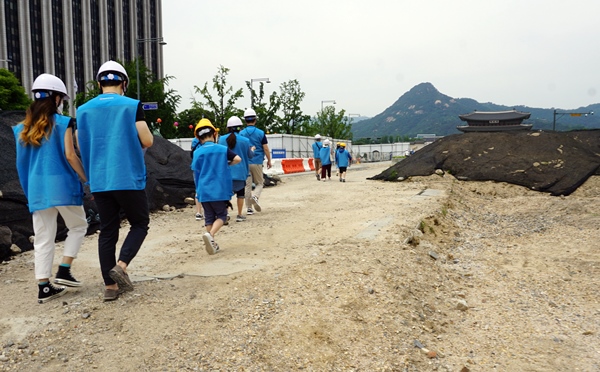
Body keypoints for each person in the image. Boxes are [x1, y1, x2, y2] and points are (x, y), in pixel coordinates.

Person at [76, 60, 154, 302]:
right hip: (127, 177)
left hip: (100, 179)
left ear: (100, 83)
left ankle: (110, 287)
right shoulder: (132, 106)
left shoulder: (83, 110)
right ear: (124, 83)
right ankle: (121, 265)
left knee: (107, 230)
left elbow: (80, 144)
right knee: (140, 223)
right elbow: (148, 140)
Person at [13, 73, 88, 303]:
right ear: (56, 98)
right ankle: (64, 269)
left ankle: (44, 287)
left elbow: (21, 164)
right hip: (62, 185)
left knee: (44, 237)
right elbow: (69, 155)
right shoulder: (63, 123)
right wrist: (86, 179)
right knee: (78, 225)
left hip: (36, 188)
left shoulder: (20, 129)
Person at [192, 119, 241, 254]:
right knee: (222, 215)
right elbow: (238, 159)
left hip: (203, 190)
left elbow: (195, 170)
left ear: (198, 137)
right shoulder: (222, 149)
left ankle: (212, 243)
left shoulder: (197, 152)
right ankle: (211, 235)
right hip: (219, 189)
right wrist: (227, 164)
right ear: (214, 134)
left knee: (209, 216)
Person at [219, 116, 254, 222]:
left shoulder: (221, 139)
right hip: (241, 172)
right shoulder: (245, 140)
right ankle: (239, 215)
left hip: (225, 171)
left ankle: (225, 214)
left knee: (225, 194)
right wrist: (252, 149)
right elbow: (250, 155)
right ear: (239, 128)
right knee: (240, 194)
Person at [239, 108, 271, 215]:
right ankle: (255, 197)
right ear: (255, 120)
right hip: (257, 161)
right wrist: (269, 160)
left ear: (245, 120)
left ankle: (248, 208)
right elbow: (265, 148)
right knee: (259, 183)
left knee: (247, 186)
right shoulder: (261, 133)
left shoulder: (241, 134)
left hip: (245, 162)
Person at [190, 136, 204, 221]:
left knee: (198, 189)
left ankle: (198, 212)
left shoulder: (194, 141)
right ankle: (207, 212)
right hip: (206, 166)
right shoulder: (209, 140)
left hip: (196, 167)